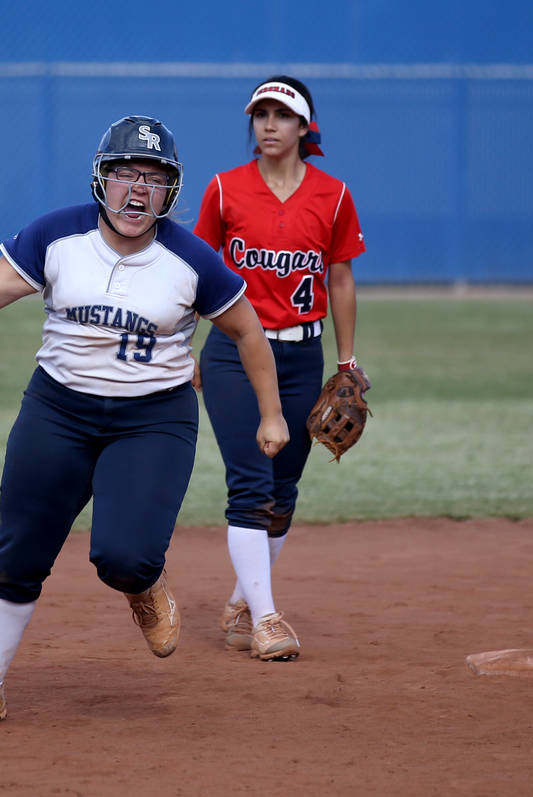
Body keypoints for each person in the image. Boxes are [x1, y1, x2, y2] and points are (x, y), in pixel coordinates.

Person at [0, 115, 289, 726]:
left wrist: (272, 415)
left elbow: (248, 331)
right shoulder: (58, 236)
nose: (136, 190)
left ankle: (143, 583)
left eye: (153, 177)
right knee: (19, 549)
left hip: (152, 420)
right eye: (124, 173)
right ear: (102, 179)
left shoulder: (189, 258)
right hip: (57, 409)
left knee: (124, 556)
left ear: (171, 191)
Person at [193, 75, 367, 661]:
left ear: (303, 128)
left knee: (283, 490)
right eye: (260, 114)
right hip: (235, 353)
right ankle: (268, 619)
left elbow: (339, 279)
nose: (268, 124)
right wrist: (182, 350)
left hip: (300, 355)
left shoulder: (334, 196)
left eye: (280, 114)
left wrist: (345, 363)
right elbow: (195, 275)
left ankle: (243, 600)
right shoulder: (223, 190)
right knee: (250, 481)